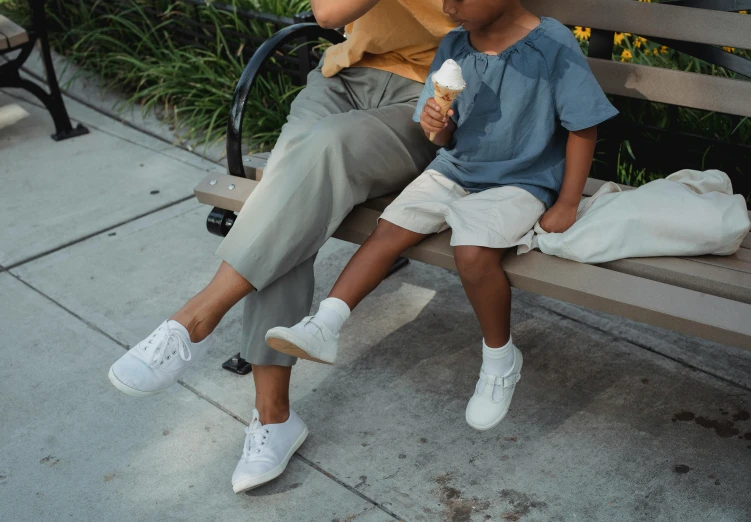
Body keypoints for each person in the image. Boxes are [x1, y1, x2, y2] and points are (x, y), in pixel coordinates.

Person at [107, 0, 455, 493]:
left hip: (429, 100)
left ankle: (196, 318)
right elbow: (329, 13)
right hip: (343, 78)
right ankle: (273, 418)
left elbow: (473, 19)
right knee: (291, 196)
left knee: (318, 155)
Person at [265, 0, 618, 431]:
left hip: (521, 180)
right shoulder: (454, 44)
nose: (448, 8)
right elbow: (441, 134)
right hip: (456, 168)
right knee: (390, 229)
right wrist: (437, 122)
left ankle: (500, 359)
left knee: (471, 252)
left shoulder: (551, 44)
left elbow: (584, 125)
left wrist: (566, 202)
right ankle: (326, 324)